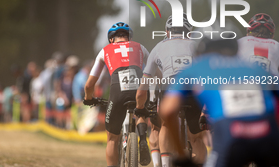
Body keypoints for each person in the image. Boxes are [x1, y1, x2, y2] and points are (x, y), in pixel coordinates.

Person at [160, 35, 279, 167]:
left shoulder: (198, 67)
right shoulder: (257, 68)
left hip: (230, 134)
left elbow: (168, 110)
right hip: (268, 134)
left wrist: (181, 156)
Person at [135, 13, 206, 167]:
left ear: (167, 31)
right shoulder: (197, 44)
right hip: (193, 89)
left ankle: (164, 164)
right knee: (197, 138)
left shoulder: (159, 46)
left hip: (170, 89)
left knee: (166, 125)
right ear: (189, 31)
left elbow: (143, 87)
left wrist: (140, 106)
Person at [84, 22, 150, 167]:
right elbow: (153, 69)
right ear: (128, 38)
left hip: (117, 89)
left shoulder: (105, 51)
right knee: (141, 110)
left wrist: (88, 98)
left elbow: (89, 84)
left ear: (111, 39)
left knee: (112, 137)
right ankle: (143, 139)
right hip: (140, 87)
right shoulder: (140, 47)